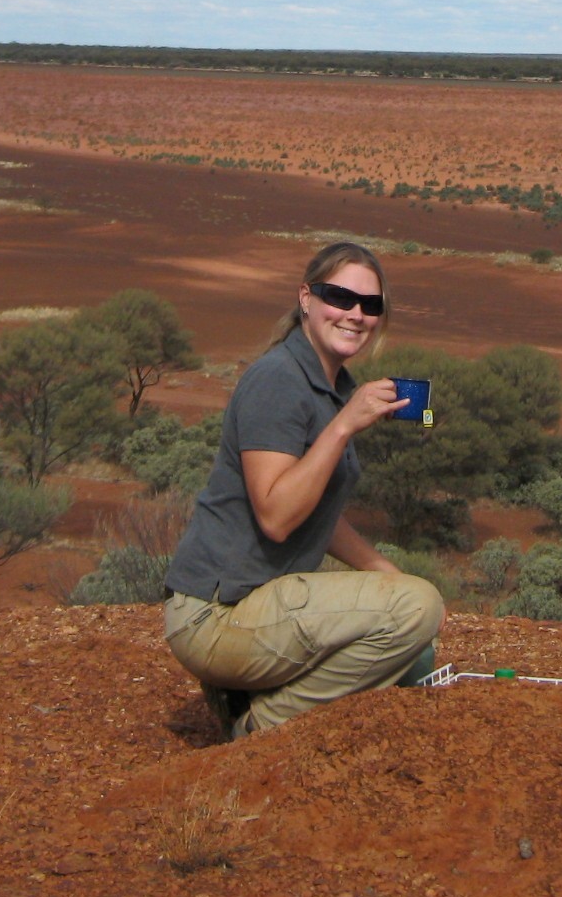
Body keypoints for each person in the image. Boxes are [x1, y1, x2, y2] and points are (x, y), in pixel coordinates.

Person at [163, 241, 445, 740]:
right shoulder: (279, 381)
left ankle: (248, 695)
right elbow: (276, 514)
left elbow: (318, 510)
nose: (356, 315)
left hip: (252, 604)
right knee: (414, 609)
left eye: (371, 305)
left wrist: (383, 571)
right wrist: (343, 427)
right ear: (306, 299)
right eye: (340, 297)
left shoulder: (328, 383)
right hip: (215, 614)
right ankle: (263, 727)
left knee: (414, 643)